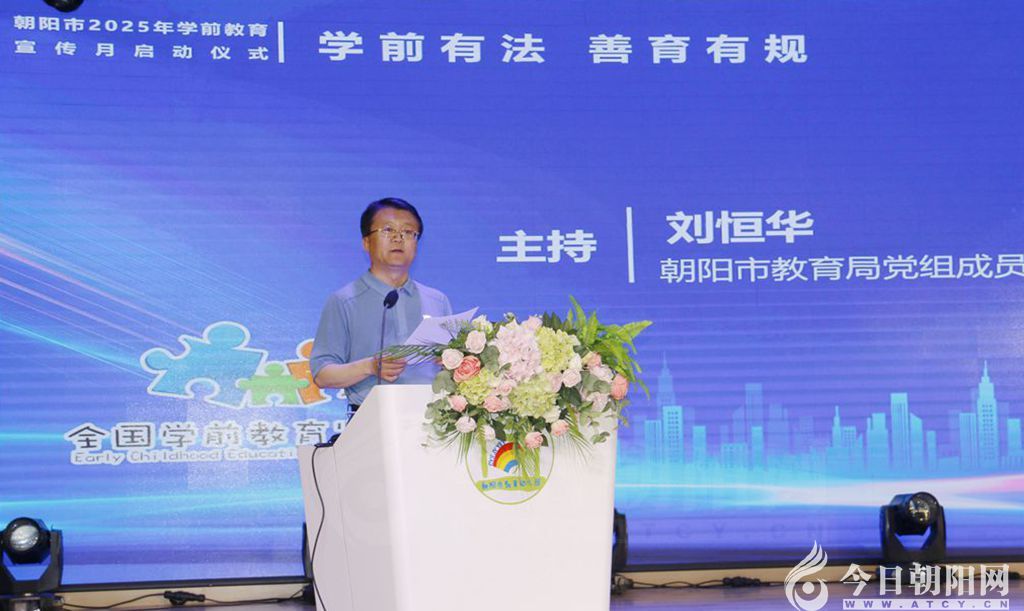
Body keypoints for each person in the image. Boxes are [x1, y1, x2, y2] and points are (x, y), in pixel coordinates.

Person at [310, 197, 452, 411]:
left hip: (432, 417)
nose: (398, 238)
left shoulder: (437, 300)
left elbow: (452, 367)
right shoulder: (344, 300)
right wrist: (369, 366)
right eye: (388, 230)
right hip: (370, 418)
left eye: (408, 232)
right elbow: (322, 374)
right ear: (366, 242)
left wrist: (452, 362)